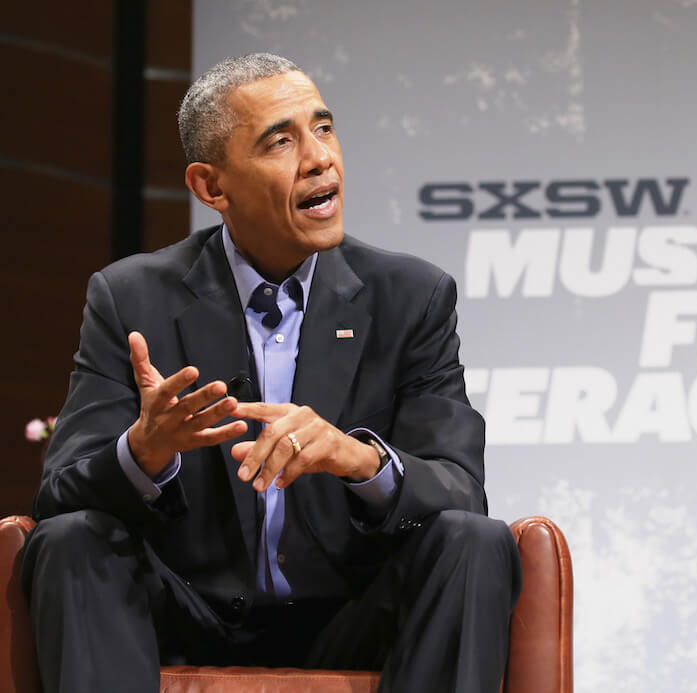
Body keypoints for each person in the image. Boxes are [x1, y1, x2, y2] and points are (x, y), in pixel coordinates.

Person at [21, 53, 521, 693]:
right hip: (184, 612)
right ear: (211, 187)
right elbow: (58, 498)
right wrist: (143, 453)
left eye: (324, 128)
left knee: (474, 541)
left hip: (353, 612)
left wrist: (355, 458)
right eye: (280, 141)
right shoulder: (130, 297)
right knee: (70, 541)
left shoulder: (410, 296)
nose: (320, 159)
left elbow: (459, 490)